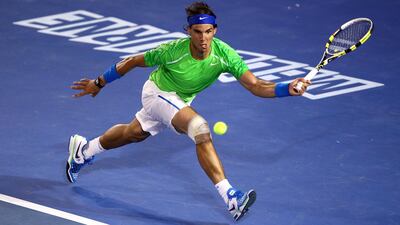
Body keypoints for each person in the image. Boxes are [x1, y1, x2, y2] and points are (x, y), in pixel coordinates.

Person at [66, 1, 310, 221]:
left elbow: (255, 85)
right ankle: (231, 197)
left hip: (178, 100)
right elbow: (130, 61)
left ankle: (84, 151)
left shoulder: (225, 55)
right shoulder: (172, 51)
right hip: (157, 93)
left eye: (208, 32)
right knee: (200, 129)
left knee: (134, 133)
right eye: (197, 32)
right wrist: (98, 82)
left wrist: (286, 88)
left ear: (215, 30)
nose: (203, 38)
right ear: (188, 31)